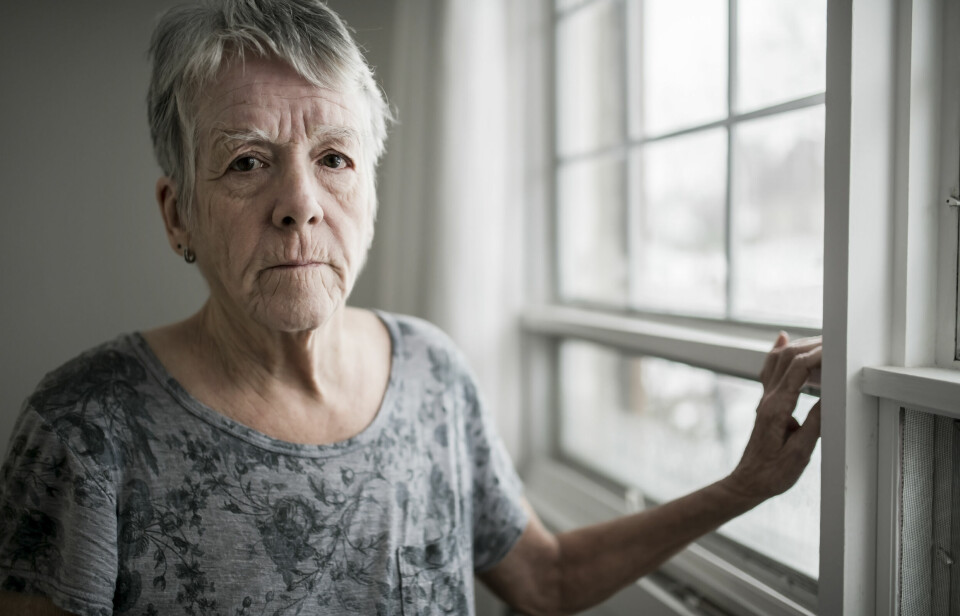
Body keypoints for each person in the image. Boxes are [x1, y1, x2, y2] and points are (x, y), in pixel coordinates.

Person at [0, 1, 823, 614]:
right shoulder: (85, 427)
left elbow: (546, 577)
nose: (300, 203)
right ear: (177, 213)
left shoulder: (432, 371)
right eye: (247, 162)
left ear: (371, 189)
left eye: (334, 158)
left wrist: (744, 485)